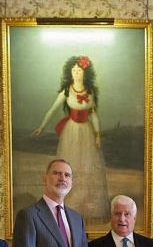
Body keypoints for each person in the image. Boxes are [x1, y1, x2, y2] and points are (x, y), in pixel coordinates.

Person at [32, 56, 109, 222]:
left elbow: (94, 115)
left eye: (79, 71)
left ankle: (87, 207)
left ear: (84, 73)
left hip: (86, 132)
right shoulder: (67, 91)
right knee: (70, 165)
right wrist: (41, 127)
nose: (76, 73)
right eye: (74, 70)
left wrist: (97, 135)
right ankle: (70, 206)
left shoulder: (90, 93)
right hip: (71, 132)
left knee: (87, 166)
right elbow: (52, 110)